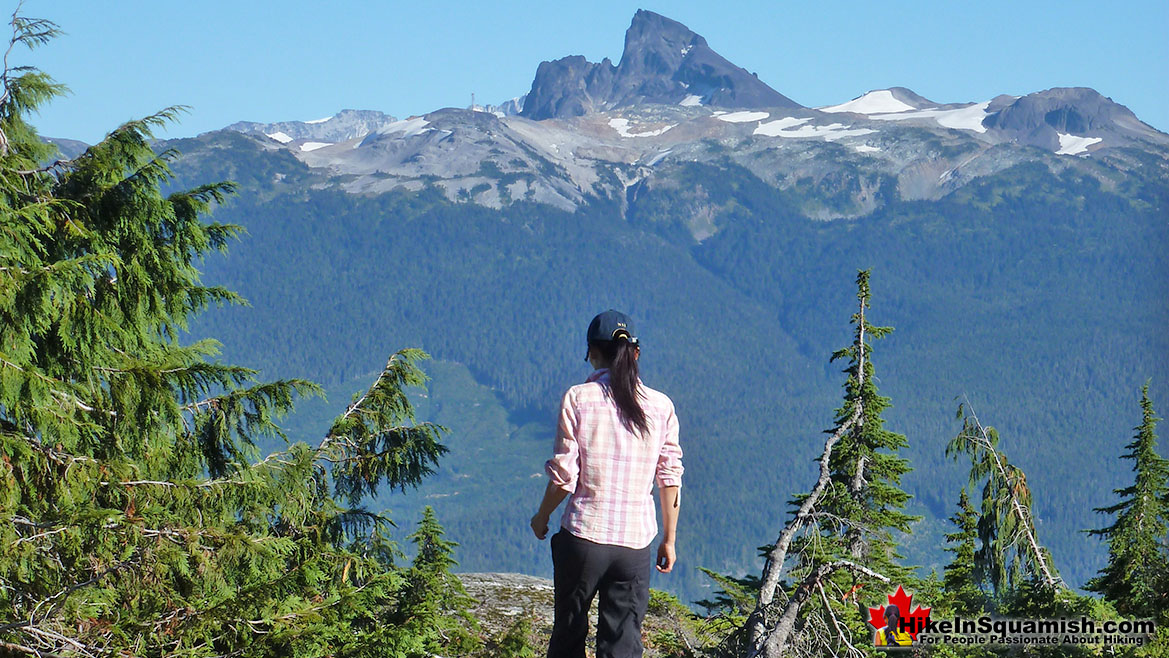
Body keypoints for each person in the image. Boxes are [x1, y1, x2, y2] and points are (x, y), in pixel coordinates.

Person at [530, 309, 683, 658]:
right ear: (636, 353)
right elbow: (670, 478)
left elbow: (564, 479)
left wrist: (542, 517)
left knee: (568, 636)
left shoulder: (578, 398)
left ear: (592, 353)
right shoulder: (661, 407)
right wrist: (669, 540)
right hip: (635, 546)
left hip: (584, 537)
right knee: (623, 644)